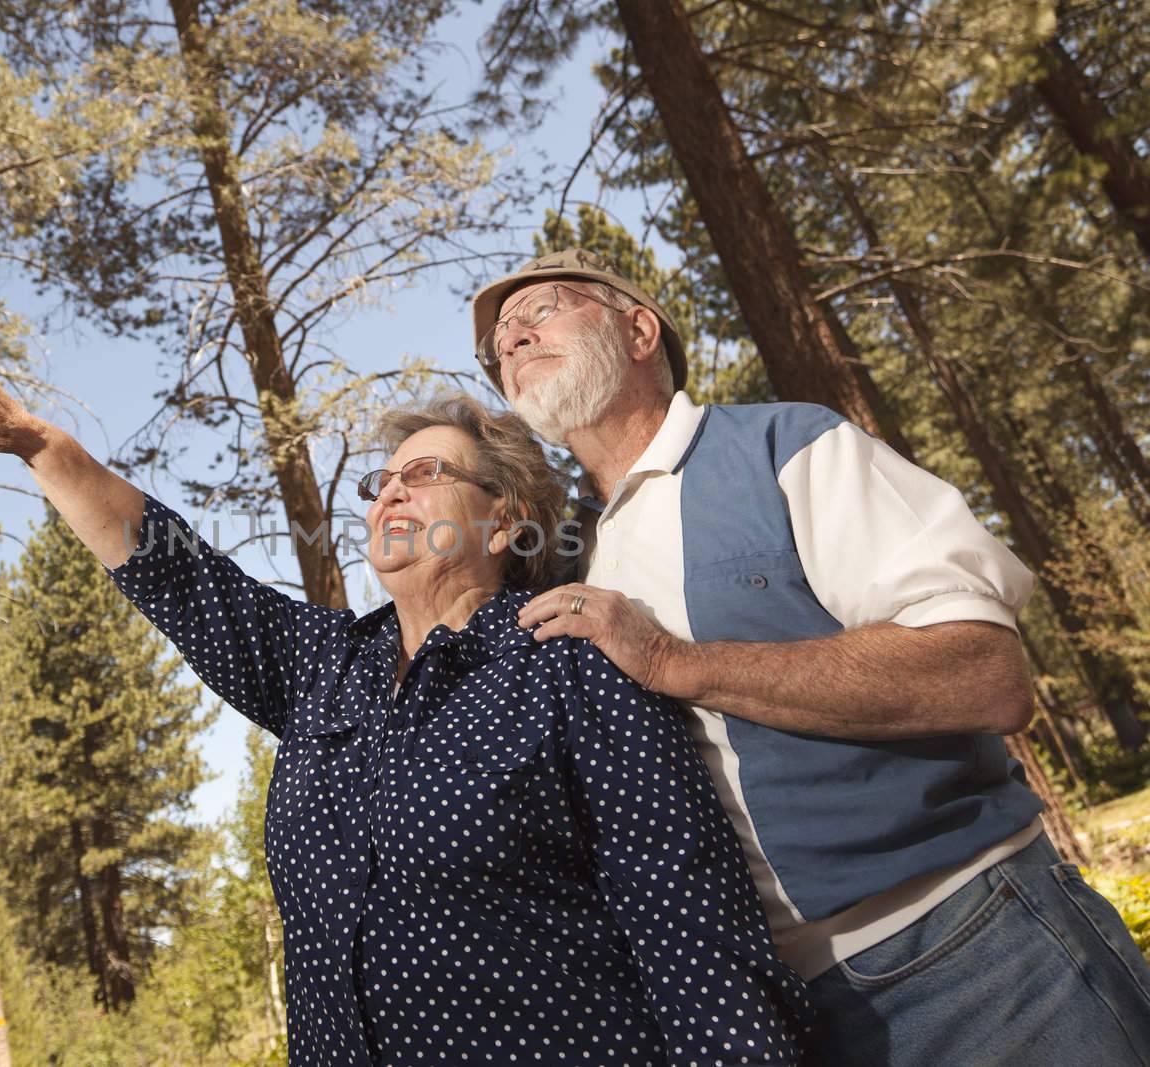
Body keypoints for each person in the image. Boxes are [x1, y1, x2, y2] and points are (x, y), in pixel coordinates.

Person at [0, 320, 813, 1066]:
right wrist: (34, 442)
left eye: (424, 475)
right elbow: (178, 572)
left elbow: (695, 935)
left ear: (506, 519)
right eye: (381, 484)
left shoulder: (573, 658)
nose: (387, 497)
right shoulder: (320, 667)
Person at [473, 247, 1150, 1066]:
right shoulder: (573, 558)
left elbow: (985, 672)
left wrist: (675, 661)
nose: (510, 339)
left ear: (639, 328)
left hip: (981, 956)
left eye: (538, 310)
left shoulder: (787, 447)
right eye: (498, 338)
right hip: (778, 1019)